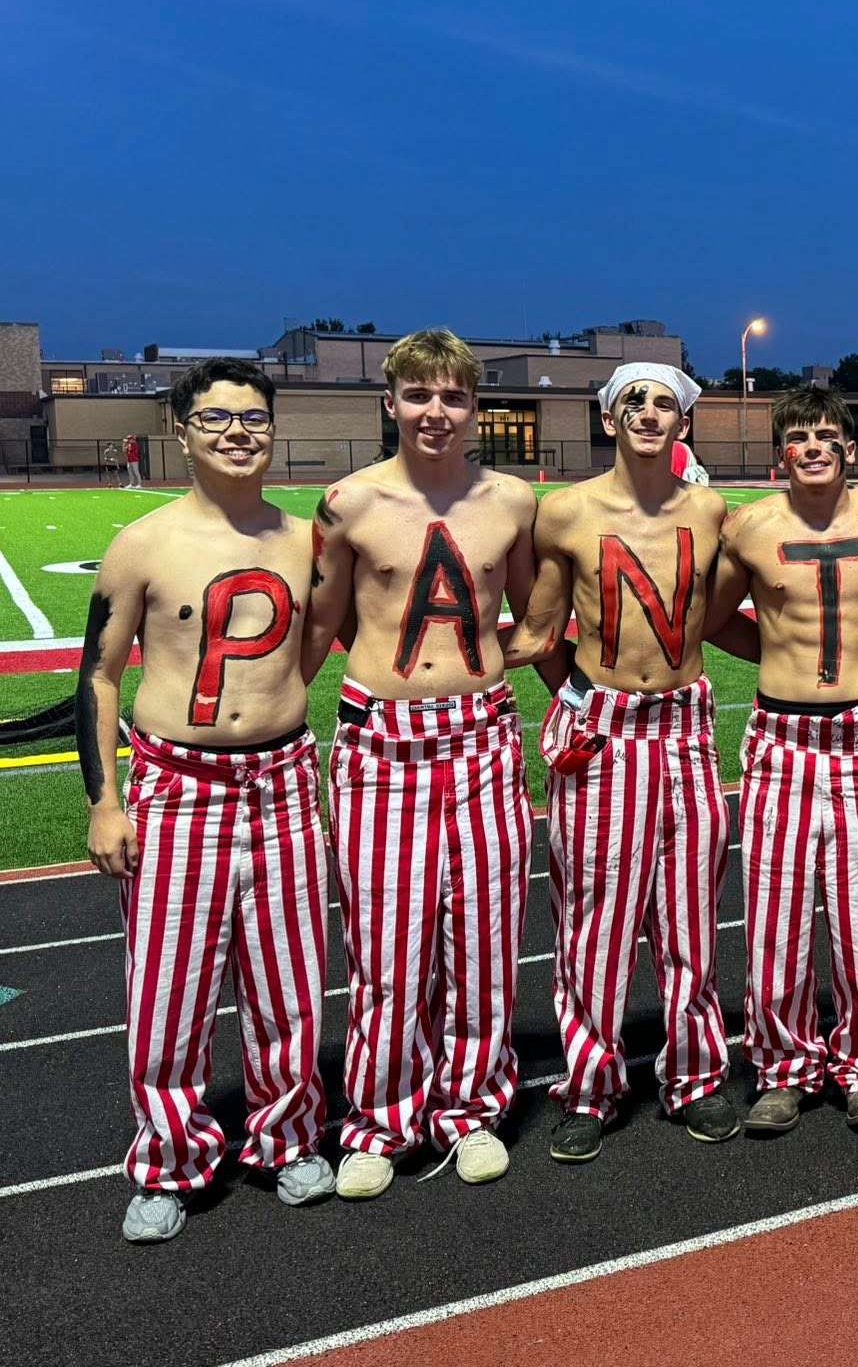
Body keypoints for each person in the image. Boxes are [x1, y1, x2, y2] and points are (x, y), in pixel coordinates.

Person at [76, 360, 332, 1243]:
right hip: (179, 788)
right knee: (167, 996)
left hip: (283, 783)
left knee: (289, 988)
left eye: (253, 418)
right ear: (181, 431)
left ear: (274, 429)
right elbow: (99, 676)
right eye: (217, 418)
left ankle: (286, 1137)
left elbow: (317, 647)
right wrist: (105, 801)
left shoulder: (306, 540)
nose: (237, 433)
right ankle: (169, 1160)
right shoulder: (142, 544)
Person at [302, 329, 538, 1199]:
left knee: (484, 939)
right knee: (387, 946)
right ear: (390, 401)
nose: (436, 412)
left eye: (453, 396)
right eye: (419, 394)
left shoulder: (511, 500)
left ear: (475, 408)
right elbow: (323, 625)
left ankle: (472, 1109)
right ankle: (380, 1119)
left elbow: (534, 613)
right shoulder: (348, 503)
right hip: (383, 741)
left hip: (483, 737)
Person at [504, 363, 752, 1161]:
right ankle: (590, 1086)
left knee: (689, 920)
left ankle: (696, 1076)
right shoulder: (567, 510)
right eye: (634, 402)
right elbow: (540, 631)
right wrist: (577, 699)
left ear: (684, 423)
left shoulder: (709, 509)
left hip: (685, 729)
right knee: (594, 926)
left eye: (665, 404)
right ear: (608, 419)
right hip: (606, 733)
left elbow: (720, 613)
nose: (649, 413)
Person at [705, 385, 858, 1134]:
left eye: (827, 435)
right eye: (799, 436)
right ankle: (783, 1068)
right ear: (781, 453)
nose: (813, 448)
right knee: (776, 922)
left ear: (850, 448)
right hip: (780, 740)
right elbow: (712, 620)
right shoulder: (750, 526)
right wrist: (777, 652)